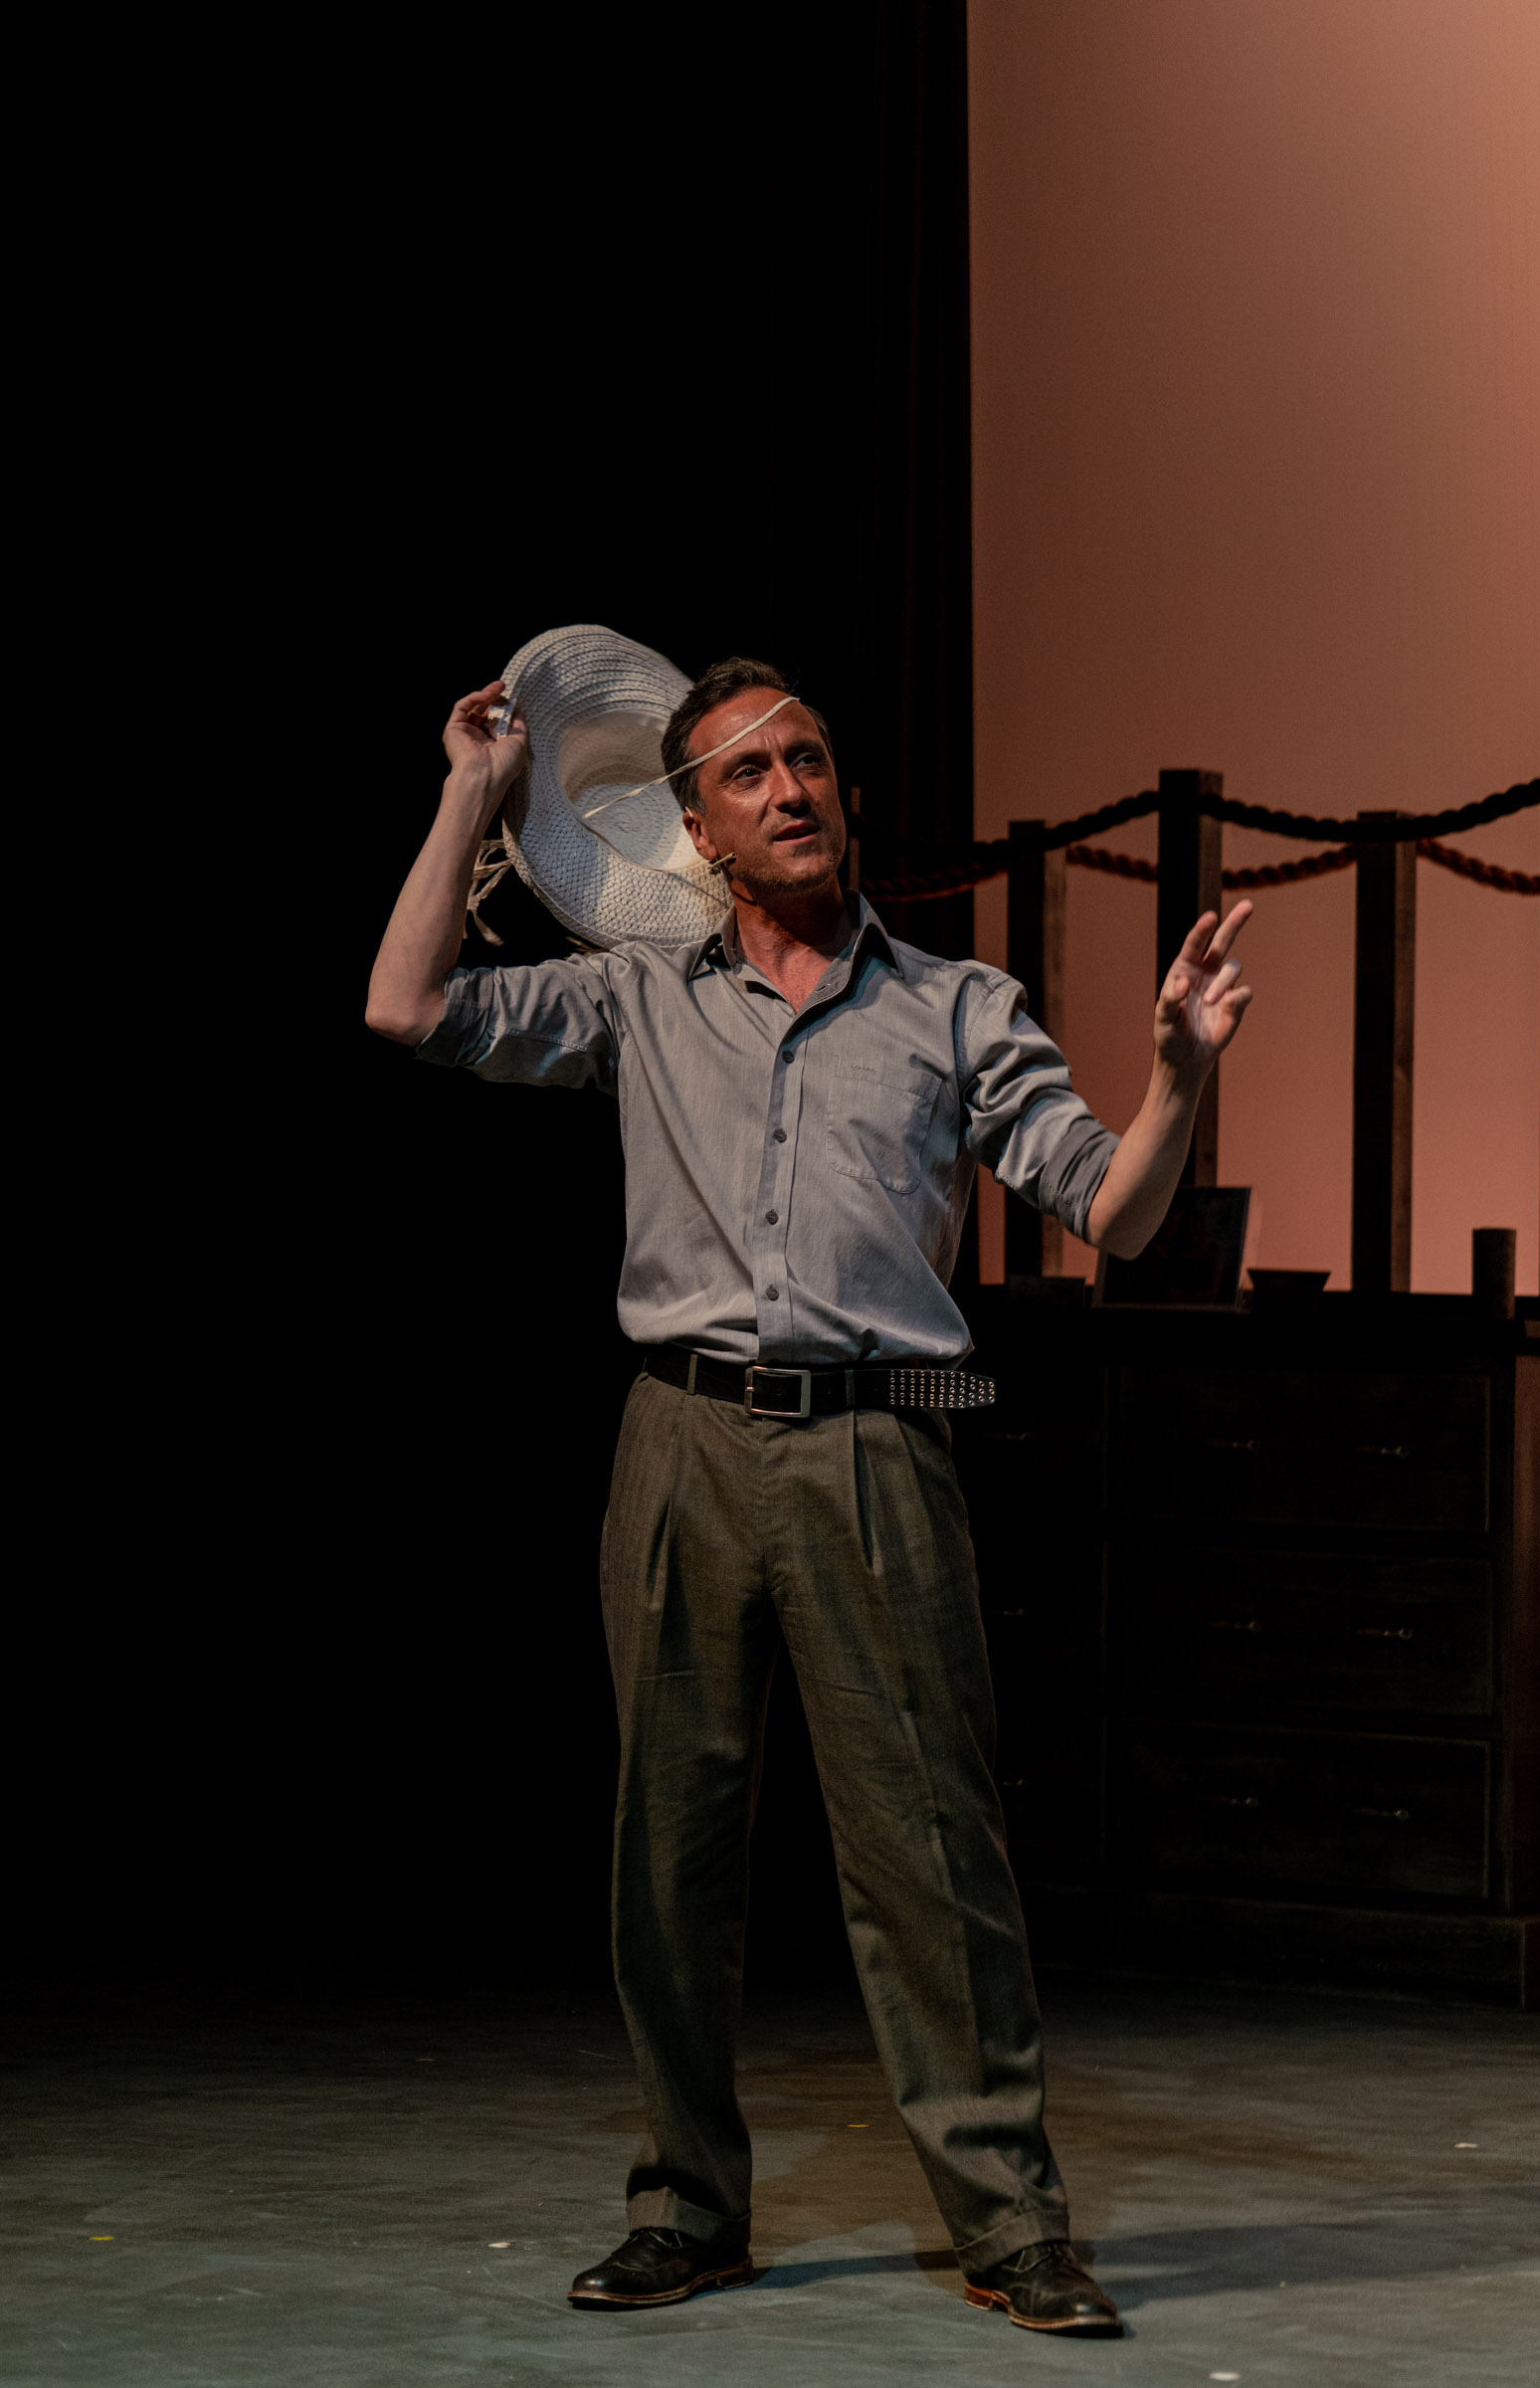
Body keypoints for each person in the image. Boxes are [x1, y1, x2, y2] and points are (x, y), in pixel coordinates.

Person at [367, 656, 1253, 2335]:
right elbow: (405, 1009)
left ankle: (1008, 2227)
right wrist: (470, 794)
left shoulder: (954, 1005)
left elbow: (1117, 1216)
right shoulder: (640, 992)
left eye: (810, 761)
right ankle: (686, 2209)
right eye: (749, 772)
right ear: (696, 829)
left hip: (873, 1445)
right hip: (680, 1443)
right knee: (668, 1852)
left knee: (928, 1855)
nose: (791, 789)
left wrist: (1177, 1070)